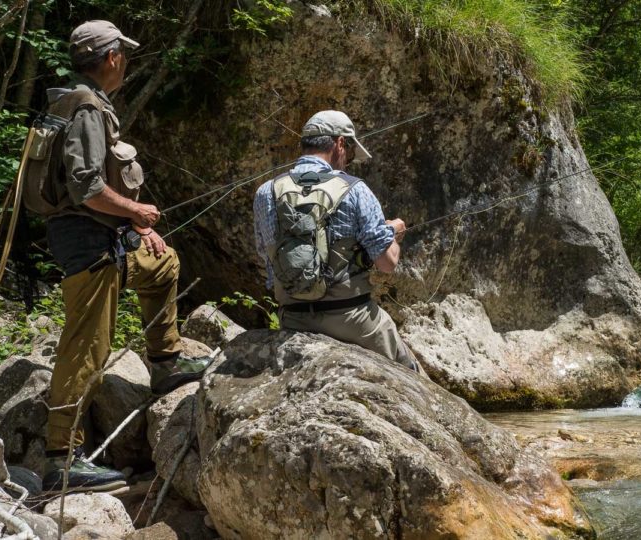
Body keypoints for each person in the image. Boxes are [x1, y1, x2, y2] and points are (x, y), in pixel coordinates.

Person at [40, 20, 211, 493]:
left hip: (102, 238)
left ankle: (166, 364)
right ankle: (63, 461)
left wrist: (133, 228)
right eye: (125, 55)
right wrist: (137, 209)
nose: (126, 63)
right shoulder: (87, 109)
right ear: (112, 57)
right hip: (88, 247)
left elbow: (88, 189)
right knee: (85, 349)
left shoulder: (71, 100)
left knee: (163, 266)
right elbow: (87, 187)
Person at [253, 110, 418, 371]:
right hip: (352, 319)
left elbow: (267, 258)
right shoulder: (356, 190)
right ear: (340, 144)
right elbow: (388, 263)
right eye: (350, 153)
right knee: (413, 377)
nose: (349, 162)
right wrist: (392, 233)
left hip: (293, 320)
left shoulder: (265, 192)